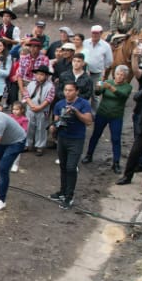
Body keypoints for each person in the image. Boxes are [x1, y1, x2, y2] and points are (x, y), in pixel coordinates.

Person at [50, 81, 93, 209]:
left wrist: (76, 112)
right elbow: (57, 120)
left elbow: (89, 121)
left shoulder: (83, 104)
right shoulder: (59, 104)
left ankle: (69, 196)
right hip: (63, 138)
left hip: (76, 139)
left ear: (77, 91)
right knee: (63, 166)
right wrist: (54, 128)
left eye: (70, 90)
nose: (67, 93)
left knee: (71, 167)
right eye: (65, 90)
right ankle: (63, 191)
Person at [84, 65, 134, 173]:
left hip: (116, 116)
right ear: (114, 74)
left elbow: (122, 95)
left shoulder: (127, 87)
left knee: (116, 139)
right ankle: (89, 155)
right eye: (118, 74)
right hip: (102, 113)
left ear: (125, 77)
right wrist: (98, 87)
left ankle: (116, 162)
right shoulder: (108, 82)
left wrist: (110, 87)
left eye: (122, 75)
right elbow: (98, 93)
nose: (119, 77)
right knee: (95, 135)